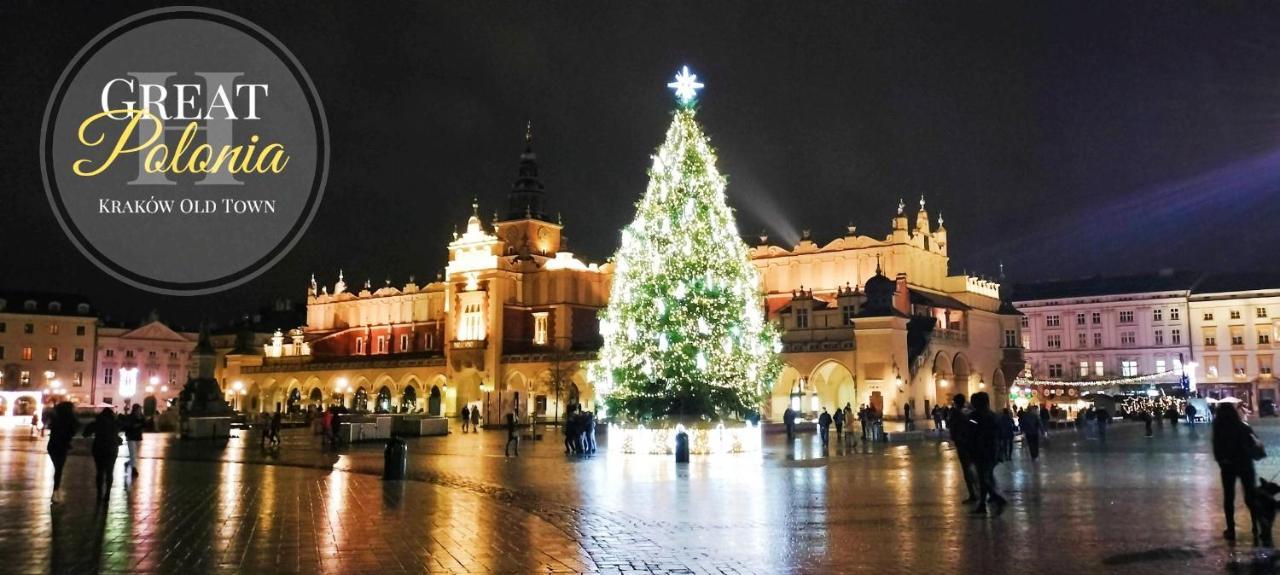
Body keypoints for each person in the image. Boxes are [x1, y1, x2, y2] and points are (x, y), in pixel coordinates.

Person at [1214, 402, 1265, 544]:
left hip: (1228, 466)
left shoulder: (1219, 429)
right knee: (1251, 496)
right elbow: (1255, 442)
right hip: (1245, 464)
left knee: (1229, 498)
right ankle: (1256, 526)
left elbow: (1217, 449)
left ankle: (1231, 530)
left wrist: (1223, 462)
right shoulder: (1243, 427)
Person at [970, 392, 1007, 515]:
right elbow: (1000, 434)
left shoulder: (976, 416)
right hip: (993, 450)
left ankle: (997, 498)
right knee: (986, 476)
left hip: (981, 450)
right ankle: (982, 504)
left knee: (983, 478)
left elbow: (972, 432)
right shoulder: (993, 415)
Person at [82, 408, 122, 501]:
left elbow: (85, 433)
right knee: (109, 472)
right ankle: (107, 493)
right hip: (112, 449)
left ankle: (99, 494)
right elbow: (123, 425)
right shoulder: (114, 423)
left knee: (100, 472)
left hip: (99, 449)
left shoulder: (97, 422)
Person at [947, 394, 978, 503]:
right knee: (973, 469)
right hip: (970, 444)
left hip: (962, 445)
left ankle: (974, 494)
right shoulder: (968, 413)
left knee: (967, 470)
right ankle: (978, 492)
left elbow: (952, 428)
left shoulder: (955, 414)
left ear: (955, 402)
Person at [47, 402, 78, 504]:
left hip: (52, 446)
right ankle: (56, 491)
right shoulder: (70, 419)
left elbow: (50, 427)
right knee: (59, 469)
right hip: (62, 446)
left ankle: (56, 490)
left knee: (58, 468)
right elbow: (73, 431)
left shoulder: (56, 418)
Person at [121, 404, 145, 479]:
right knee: (133, 454)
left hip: (138, 437)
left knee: (135, 455)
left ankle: (128, 463)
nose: (139, 411)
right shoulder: (130, 417)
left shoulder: (141, 417)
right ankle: (133, 469)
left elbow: (145, 425)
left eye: (140, 410)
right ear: (135, 410)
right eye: (138, 410)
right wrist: (135, 425)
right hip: (131, 437)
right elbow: (128, 426)